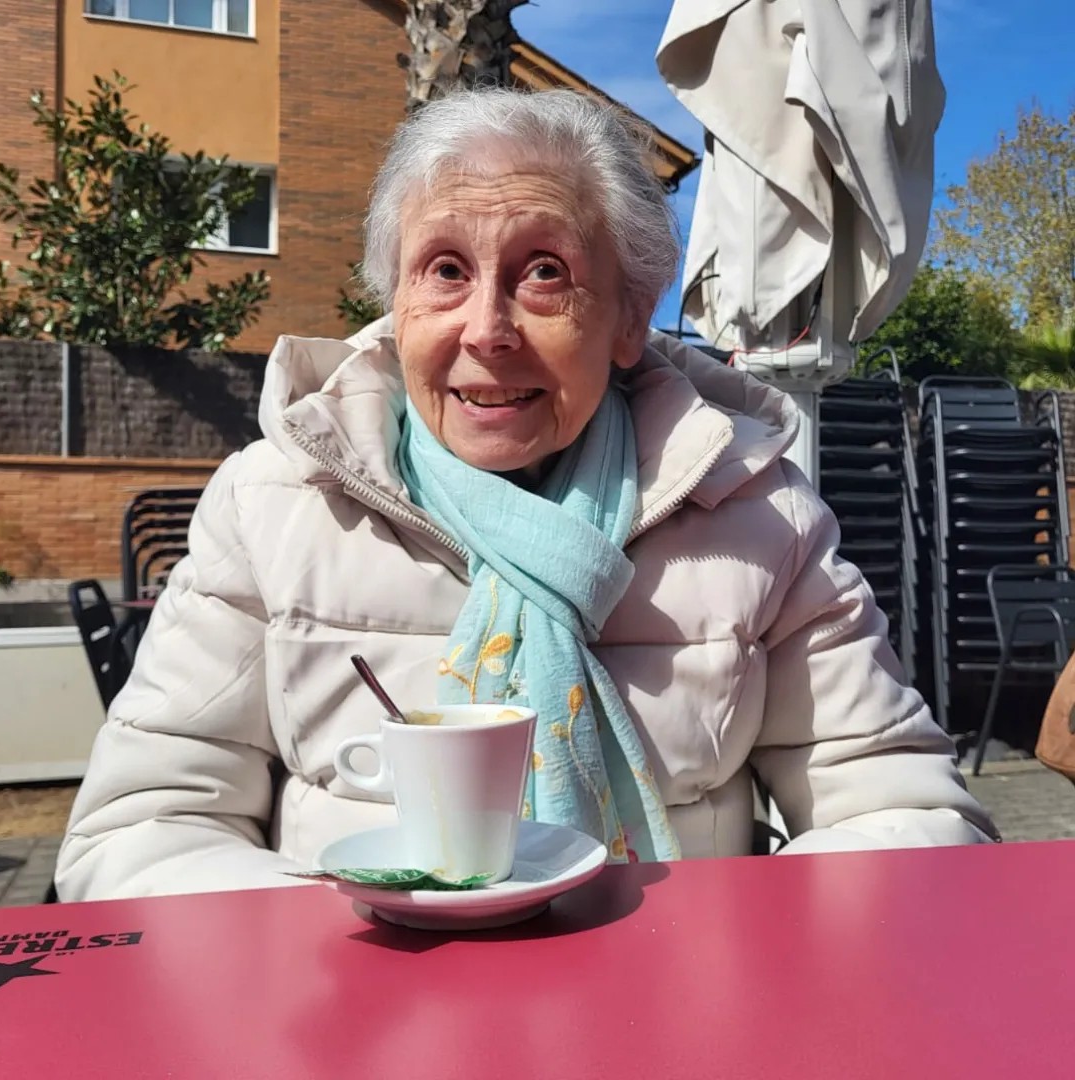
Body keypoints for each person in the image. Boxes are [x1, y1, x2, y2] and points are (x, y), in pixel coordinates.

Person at [56, 87, 996, 901]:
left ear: (629, 319)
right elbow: (142, 830)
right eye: (445, 272)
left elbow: (907, 810)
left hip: (672, 1006)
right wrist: (338, 950)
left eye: (545, 273)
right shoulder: (274, 502)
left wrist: (737, 952)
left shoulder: (759, 517)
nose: (487, 329)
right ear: (395, 302)